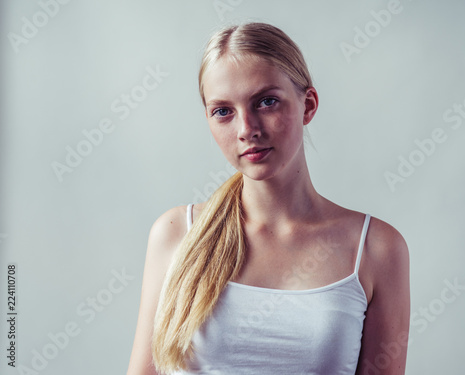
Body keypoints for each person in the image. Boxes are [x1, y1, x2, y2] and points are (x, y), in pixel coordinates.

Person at [126, 22, 410, 375]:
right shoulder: (175, 235)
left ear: (308, 105)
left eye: (266, 102)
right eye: (223, 111)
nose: (247, 129)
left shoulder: (376, 248)